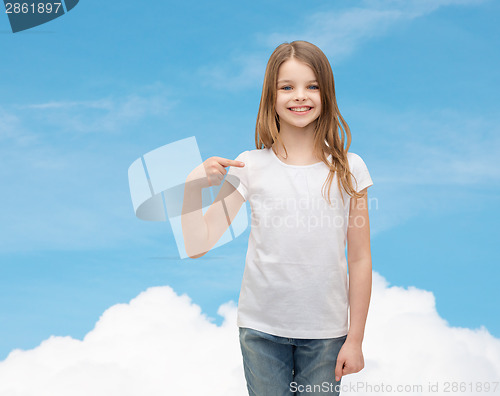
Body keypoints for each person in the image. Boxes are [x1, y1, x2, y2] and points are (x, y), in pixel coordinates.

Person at [181, 40, 373, 396]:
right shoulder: (249, 166)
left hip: (327, 336)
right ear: (271, 97)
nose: (300, 96)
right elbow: (198, 245)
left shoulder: (350, 169)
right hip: (260, 332)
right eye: (287, 87)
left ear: (326, 93)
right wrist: (193, 189)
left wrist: (355, 339)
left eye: (312, 86)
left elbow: (360, 259)